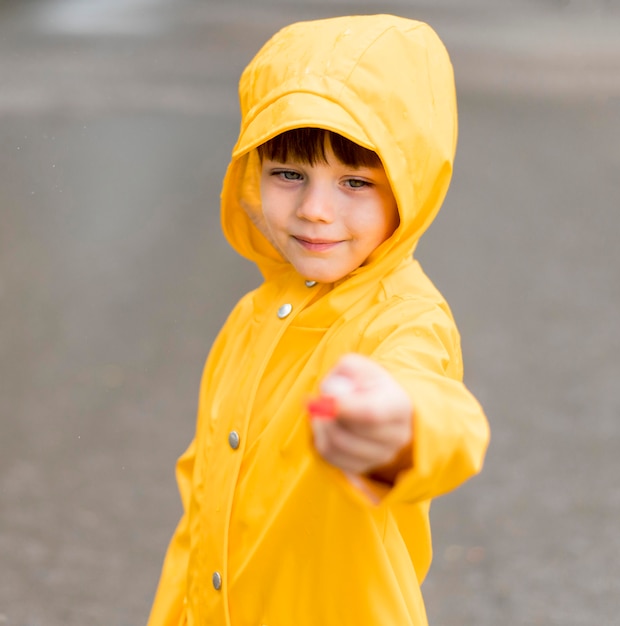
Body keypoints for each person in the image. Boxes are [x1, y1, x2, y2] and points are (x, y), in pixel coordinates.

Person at [147, 14, 490, 626]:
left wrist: (400, 427)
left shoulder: (403, 317)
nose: (314, 211)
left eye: (355, 181)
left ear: (411, 186)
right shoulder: (253, 315)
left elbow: (442, 412)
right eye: (288, 174)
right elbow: (203, 507)